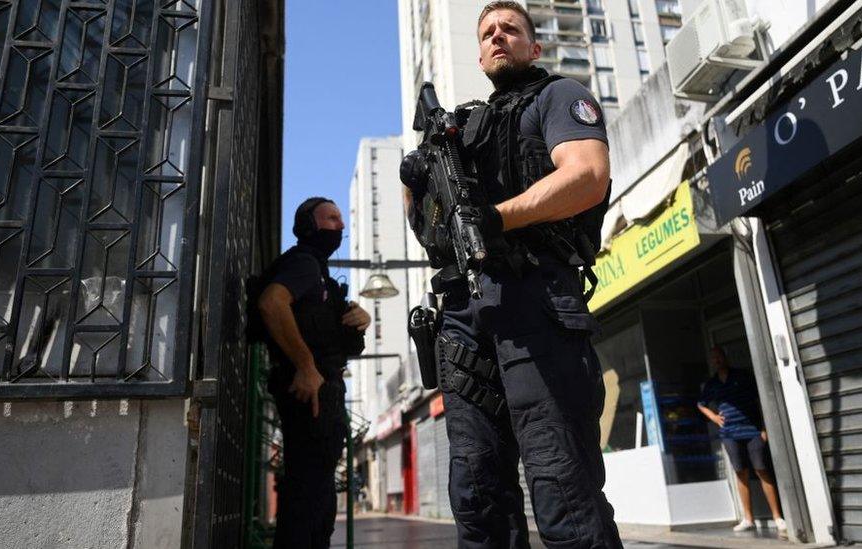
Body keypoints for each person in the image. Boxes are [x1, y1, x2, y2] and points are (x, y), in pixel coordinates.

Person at [402, 2, 621, 547]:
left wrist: (497, 218)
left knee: (561, 488)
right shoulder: (462, 130)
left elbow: (588, 176)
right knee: (476, 496)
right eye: (488, 33)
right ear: (479, 55)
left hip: (536, 300)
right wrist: (418, 180)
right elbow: (434, 235)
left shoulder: (558, 96)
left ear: (533, 47)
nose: (498, 37)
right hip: (463, 320)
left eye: (511, 29)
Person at [253, 197, 371, 549]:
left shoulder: (318, 273)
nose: (341, 226)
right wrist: (306, 366)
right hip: (311, 394)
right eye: (331, 218)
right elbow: (271, 303)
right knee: (308, 501)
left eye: (340, 219)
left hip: (323, 391)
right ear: (308, 226)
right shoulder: (303, 263)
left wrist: (359, 318)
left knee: (316, 499)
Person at [697, 346, 787, 533]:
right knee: (740, 473)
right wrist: (713, 417)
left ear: (725, 356)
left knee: (762, 469)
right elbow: (700, 404)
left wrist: (763, 427)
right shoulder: (712, 384)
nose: (717, 360)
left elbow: (759, 399)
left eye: (719, 356)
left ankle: (777, 517)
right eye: (713, 358)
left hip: (752, 430)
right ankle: (748, 518)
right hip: (729, 433)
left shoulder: (742, 376)